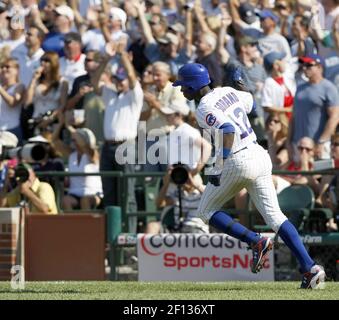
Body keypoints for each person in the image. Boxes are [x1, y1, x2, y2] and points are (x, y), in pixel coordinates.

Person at [172, 62, 326, 289]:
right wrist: (243, 89)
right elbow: (252, 108)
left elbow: (228, 130)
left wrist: (219, 164)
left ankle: (255, 240)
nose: (182, 90)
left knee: (205, 211)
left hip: (237, 158)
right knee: (275, 217)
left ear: (194, 85)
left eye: (184, 86)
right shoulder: (229, 91)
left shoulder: (203, 107)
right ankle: (309, 268)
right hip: (259, 154)